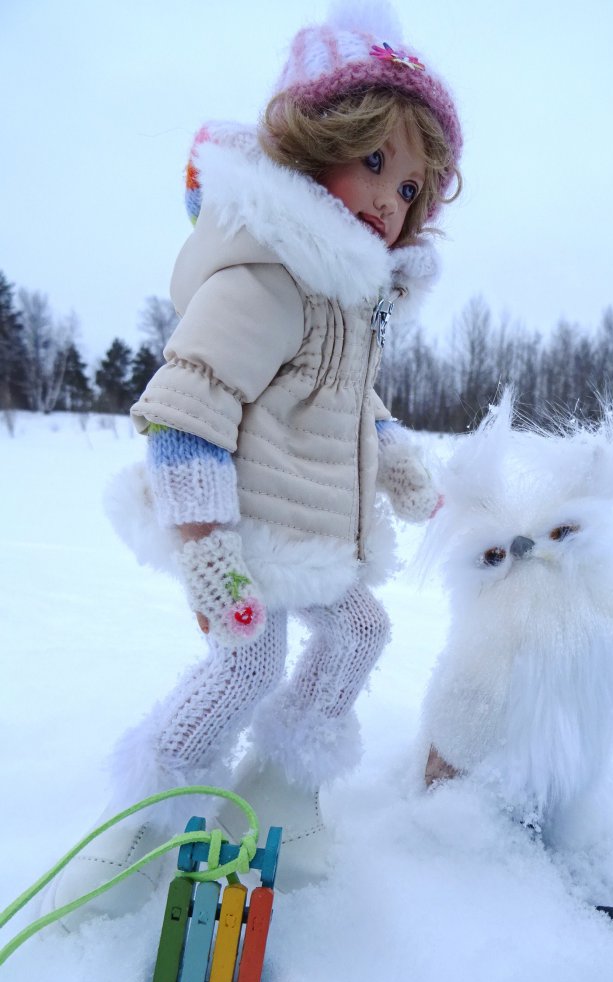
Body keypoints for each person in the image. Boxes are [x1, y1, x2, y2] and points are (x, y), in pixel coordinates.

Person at [47, 2, 462, 920]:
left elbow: (350, 401)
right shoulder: (269, 275)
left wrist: (397, 460)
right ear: (320, 146)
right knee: (243, 667)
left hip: (304, 533)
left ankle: (280, 786)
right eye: (376, 163)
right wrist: (204, 545)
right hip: (246, 535)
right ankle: (150, 810)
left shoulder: (344, 299)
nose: (390, 204)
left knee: (358, 632)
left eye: (409, 189)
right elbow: (186, 408)